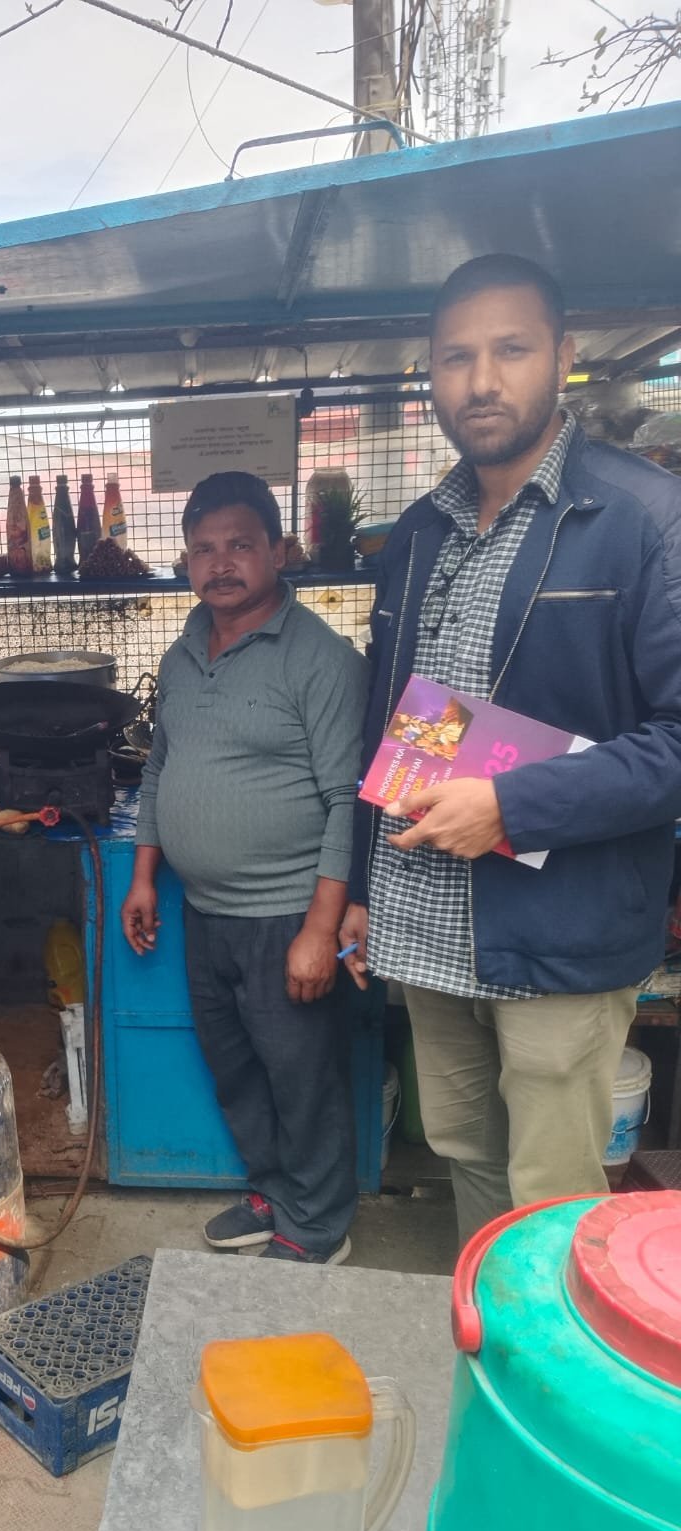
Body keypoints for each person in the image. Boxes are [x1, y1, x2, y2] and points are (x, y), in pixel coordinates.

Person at [341, 254, 681, 1245]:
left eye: (511, 349)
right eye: (456, 357)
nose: (482, 380)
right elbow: (397, 722)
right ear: (431, 374)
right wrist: (363, 883)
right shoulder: (418, 534)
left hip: (559, 932)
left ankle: (537, 1343)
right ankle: (488, 1325)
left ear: (563, 356)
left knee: (549, 1192)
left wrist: (512, 806)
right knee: (466, 1154)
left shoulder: (641, 519)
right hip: (428, 920)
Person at [122, 472, 367, 1264]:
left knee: (303, 1076)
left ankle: (319, 1225)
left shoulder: (321, 659)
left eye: (239, 545)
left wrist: (320, 929)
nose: (220, 563)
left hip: (286, 913)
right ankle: (275, 1191)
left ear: (279, 550)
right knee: (236, 1067)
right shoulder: (182, 654)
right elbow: (160, 769)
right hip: (205, 911)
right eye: (203, 549)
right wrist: (144, 874)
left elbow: (350, 800)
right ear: (186, 561)